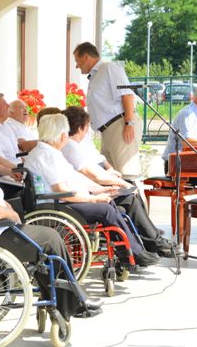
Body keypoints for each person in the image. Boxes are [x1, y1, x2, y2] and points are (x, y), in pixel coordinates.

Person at [0, 123, 100, 322]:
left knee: (45, 240)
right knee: (51, 239)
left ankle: (60, 298)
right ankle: (71, 302)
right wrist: (12, 214)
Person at [23, 114, 160, 267]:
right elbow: (61, 190)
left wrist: (100, 189)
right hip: (56, 205)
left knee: (110, 204)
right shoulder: (47, 156)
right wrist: (93, 199)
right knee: (106, 210)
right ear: (62, 136)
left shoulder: (49, 152)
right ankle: (134, 253)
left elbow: (75, 177)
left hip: (60, 201)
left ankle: (130, 252)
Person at [61, 106, 177, 257]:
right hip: (88, 189)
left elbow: (97, 165)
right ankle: (153, 241)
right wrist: (121, 183)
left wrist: (117, 179)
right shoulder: (70, 147)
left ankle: (149, 235)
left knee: (131, 189)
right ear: (81, 128)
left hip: (91, 185)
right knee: (129, 197)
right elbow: (94, 176)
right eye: (87, 127)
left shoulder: (77, 144)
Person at [73, 41, 142, 176]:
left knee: (128, 174)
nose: (76, 65)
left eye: (77, 61)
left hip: (120, 125)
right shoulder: (96, 75)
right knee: (112, 176)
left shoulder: (109, 68)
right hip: (108, 131)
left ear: (86, 57)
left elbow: (127, 95)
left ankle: (133, 192)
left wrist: (129, 123)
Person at [0, 92, 22, 164]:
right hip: (9, 169)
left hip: (19, 166)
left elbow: (16, 154)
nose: (8, 105)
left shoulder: (8, 125)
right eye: (4, 103)